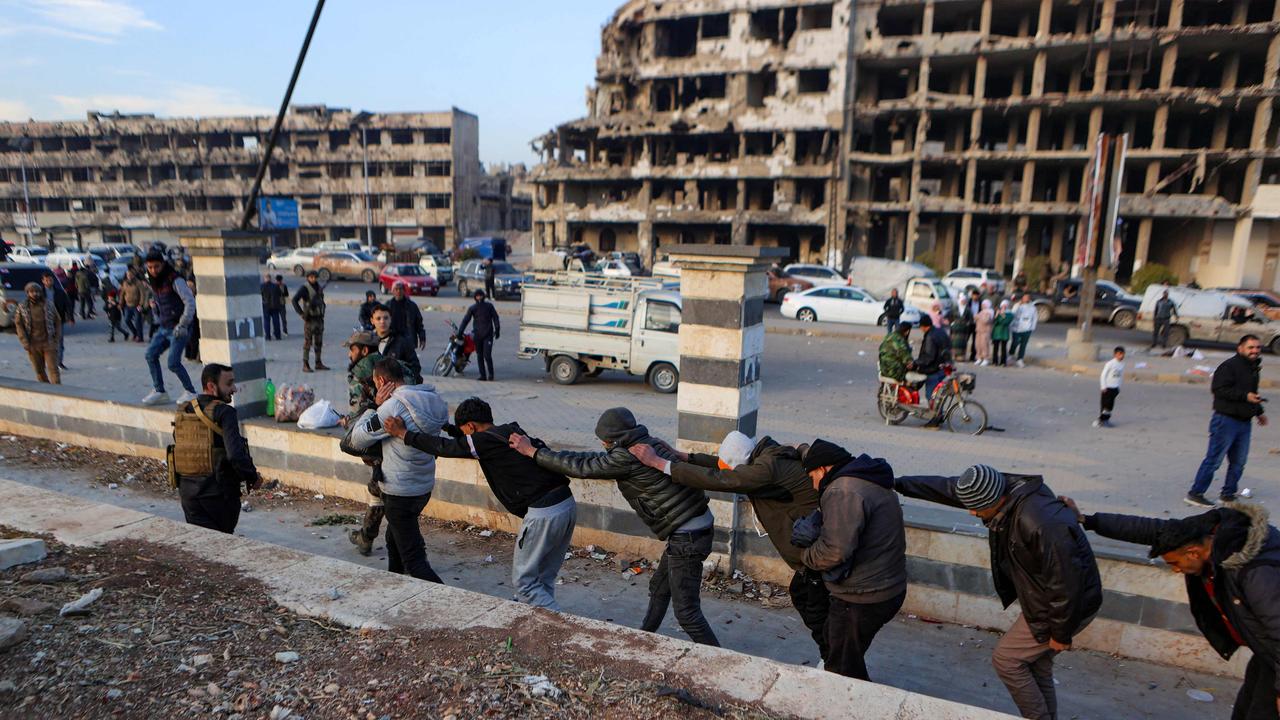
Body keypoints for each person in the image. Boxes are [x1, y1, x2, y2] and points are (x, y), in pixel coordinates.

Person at [896, 465, 1102, 720]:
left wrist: (1061, 633)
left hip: (1066, 605)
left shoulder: (1040, 522)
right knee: (1037, 666)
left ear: (999, 500)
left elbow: (1066, 583)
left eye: (978, 508)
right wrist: (899, 483)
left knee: (1007, 660)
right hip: (1050, 599)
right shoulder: (1001, 488)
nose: (972, 512)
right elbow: (950, 488)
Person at [509, 407, 719, 646]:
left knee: (687, 613)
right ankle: (643, 637)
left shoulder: (627, 456)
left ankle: (722, 661)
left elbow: (582, 469)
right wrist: (544, 453)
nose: (603, 444)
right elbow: (591, 460)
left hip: (687, 538)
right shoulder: (646, 443)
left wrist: (533, 452)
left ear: (615, 438)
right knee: (660, 588)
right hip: (691, 531)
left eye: (605, 441)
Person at [1062, 497, 1280, 719]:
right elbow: (1152, 530)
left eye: (1176, 564)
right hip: (1266, 653)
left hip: (1275, 651)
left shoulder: (1257, 574)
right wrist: (1087, 520)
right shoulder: (1203, 533)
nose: (1176, 571)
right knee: (1246, 708)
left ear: (1193, 552)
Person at [629, 431, 826, 659]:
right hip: (811, 548)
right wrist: (682, 456)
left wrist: (659, 463)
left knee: (817, 607)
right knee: (806, 597)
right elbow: (721, 469)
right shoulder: (764, 456)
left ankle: (834, 660)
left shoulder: (765, 469)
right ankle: (832, 654)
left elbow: (722, 479)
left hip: (818, 550)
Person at [385, 397, 577, 610]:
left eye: (466, 432)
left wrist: (403, 434)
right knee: (542, 578)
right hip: (566, 504)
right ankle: (540, 620)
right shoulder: (508, 431)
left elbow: (445, 448)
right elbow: (466, 443)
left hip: (544, 513)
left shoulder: (483, 441)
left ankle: (562, 631)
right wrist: (450, 428)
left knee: (525, 584)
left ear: (471, 426)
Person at [791, 440, 906, 681]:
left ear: (823, 469)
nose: (813, 485)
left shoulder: (842, 490)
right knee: (843, 656)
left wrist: (805, 555)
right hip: (886, 587)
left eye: (812, 476)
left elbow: (834, 551)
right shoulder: (865, 476)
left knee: (842, 671)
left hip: (861, 596)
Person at [347, 358, 448, 582]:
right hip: (423, 486)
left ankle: (451, 604)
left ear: (381, 380)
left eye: (375, 381)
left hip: (399, 491)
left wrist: (374, 405)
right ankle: (396, 584)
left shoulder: (392, 407)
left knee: (414, 561)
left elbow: (358, 438)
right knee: (394, 538)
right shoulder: (433, 399)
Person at [171, 363, 261, 533]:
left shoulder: (184, 409)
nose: (234, 389)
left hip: (188, 495)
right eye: (229, 384)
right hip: (218, 496)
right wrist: (252, 476)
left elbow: (179, 444)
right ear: (211, 386)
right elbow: (235, 455)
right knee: (222, 544)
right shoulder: (225, 412)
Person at [1187, 335, 1269, 507]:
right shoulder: (1229, 366)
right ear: (1240, 348)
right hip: (1225, 420)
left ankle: (1228, 494)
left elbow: (1252, 392)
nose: (1255, 351)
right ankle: (1196, 493)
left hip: (1244, 422)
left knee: (1239, 462)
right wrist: (1244, 396)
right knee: (1214, 460)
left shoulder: (1253, 367)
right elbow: (1219, 389)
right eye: (1250, 347)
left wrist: (1259, 411)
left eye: (1257, 347)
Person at [340, 331, 389, 556]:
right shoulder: (392, 365)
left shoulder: (359, 372)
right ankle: (366, 537)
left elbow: (360, 413)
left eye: (353, 349)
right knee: (378, 488)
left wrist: (350, 424)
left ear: (364, 350)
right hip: (402, 437)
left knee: (382, 490)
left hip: (378, 440)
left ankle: (373, 538)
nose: (350, 354)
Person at [142, 248, 198, 406]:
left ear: (163, 264)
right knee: (150, 355)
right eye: (150, 267)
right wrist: (155, 310)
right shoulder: (153, 281)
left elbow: (189, 301)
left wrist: (183, 324)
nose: (153, 270)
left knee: (173, 362)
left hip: (179, 328)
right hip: (164, 327)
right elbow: (159, 301)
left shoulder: (175, 279)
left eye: (157, 267)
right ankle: (159, 391)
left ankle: (191, 391)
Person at [14, 281, 61, 384]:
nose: (35, 294)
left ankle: (58, 391)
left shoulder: (48, 305)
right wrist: (25, 342)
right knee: (39, 371)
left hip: (48, 343)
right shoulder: (22, 307)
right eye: (31, 291)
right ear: (27, 293)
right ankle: (45, 390)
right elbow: (18, 325)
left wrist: (56, 339)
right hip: (32, 344)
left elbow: (57, 321)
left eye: (37, 291)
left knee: (53, 369)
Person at [371, 303, 423, 384]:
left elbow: (415, 367)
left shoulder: (402, 342)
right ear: (372, 321)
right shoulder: (368, 342)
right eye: (378, 318)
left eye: (386, 318)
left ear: (390, 319)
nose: (382, 322)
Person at [291, 269, 329, 372]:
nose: (313, 279)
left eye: (315, 277)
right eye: (311, 277)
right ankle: (305, 364)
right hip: (310, 319)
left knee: (319, 342)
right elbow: (294, 300)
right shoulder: (304, 288)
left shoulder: (318, 287)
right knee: (308, 342)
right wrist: (301, 313)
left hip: (319, 319)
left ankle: (318, 362)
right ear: (308, 278)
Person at [459, 289, 500, 382]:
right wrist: (460, 332)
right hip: (477, 335)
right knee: (479, 355)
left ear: (483, 296)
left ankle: (491, 374)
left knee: (487, 355)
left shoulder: (489, 306)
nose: (479, 298)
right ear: (475, 297)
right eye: (477, 296)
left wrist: (497, 329)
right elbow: (466, 320)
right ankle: (483, 375)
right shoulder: (473, 308)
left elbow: (495, 318)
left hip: (488, 334)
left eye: (480, 296)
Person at [912, 313, 951, 404]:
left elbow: (929, 357)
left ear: (923, 326)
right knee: (936, 394)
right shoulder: (940, 331)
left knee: (931, 395)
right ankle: (938, 413)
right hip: (943, 367)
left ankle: (936, 416)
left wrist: (915, 363)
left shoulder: (930, 336)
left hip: (933, 369)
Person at [41, 270, 72, 370]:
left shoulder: (60, 292)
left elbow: (67, 305)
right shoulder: (39, 293)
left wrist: (70, 317)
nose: (48, 282)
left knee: (59, 342)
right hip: (44, 320)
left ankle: (59, 362)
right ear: (43, 281)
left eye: (50, 280)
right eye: (46, 280)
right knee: (46, 342)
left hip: (58, 320)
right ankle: (46, 361)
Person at [387, 281, 427, 350]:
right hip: (392, 342)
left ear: (404, 291)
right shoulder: (387, 306)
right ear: (392, 291)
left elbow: (419, 324)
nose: (398, 291)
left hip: (408, 341)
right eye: (396, 289)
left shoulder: (412, 306)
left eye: (400, 289)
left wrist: (422, 338)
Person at [1096, 346, 1125, 429]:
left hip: (1115, 388)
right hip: (1107, 387)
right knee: (1105, 405)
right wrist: (1103, 386)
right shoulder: (1110, 363)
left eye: (1122, 354)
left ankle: (1106, 420)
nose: (1121, 356)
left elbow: (1120, 376)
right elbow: (1103, 375)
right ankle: (1100, 421)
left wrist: (1119, 387)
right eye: (1119, 354)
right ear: (1115, 354)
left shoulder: (1122, 364)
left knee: (1110, 406)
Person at [1010, 293, 1038, 368]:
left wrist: (1032, 328)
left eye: (1028, 297)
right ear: (1022, 298)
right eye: (1025, 297)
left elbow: (1035, 318)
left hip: (1027, 328)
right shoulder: (1017, 305)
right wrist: (1018, 305)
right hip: (1017, 327)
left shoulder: (1032, 307)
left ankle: (1020, 359)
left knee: (1023, 344)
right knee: (1015, 342)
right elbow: (1012, 314)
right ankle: (1011, 354)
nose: (1026, 299)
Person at [120, 269, 144, 342]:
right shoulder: (125, 283)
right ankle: (135, 332)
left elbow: (142, 294)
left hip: (136, 305)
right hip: (128, 305)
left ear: (133, 275)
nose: (129, 276)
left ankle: (140, 337)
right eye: (128, 275)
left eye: (131, 275)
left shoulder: (138, 283)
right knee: (127, 320)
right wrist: (120, 303)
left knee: (137, 321)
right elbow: (122, 294)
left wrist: (141, 304)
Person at [260, 274, 285, 341]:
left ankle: (268, 336)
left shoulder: (262, 286)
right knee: (276, 321)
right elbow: (280, 294)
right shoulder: (275, 286)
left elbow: (260, 295)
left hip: (266, 306)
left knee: (267, 321)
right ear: (270, 279)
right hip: (275, 306)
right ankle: (278, 336)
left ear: (265, 279)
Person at [992, 299, 1013, 367]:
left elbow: (1006, 322)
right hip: (997, 333)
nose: (1004, 306)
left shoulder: (1010, 314)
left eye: (1005, 305)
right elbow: (995, 322)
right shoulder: (998, 312)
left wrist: (1002, 315)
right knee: (995, 348)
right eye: (1002, 305)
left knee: (1003, 348)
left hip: (1004, 333)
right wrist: (996, 316)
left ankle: (1003, 362)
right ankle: (994, 361)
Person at [974, 299, 995, 366]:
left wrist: (979, 317)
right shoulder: (981, 312)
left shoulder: (989, 312)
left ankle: (986, 358)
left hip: (985, 331)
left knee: (984, 345)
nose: (982, 306)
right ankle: (979, 357)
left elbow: (985, 321)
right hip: (979, 331)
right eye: (982, 304)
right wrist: (978, 316)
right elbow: (975, 318)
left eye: (984, 304)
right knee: (978, 345)